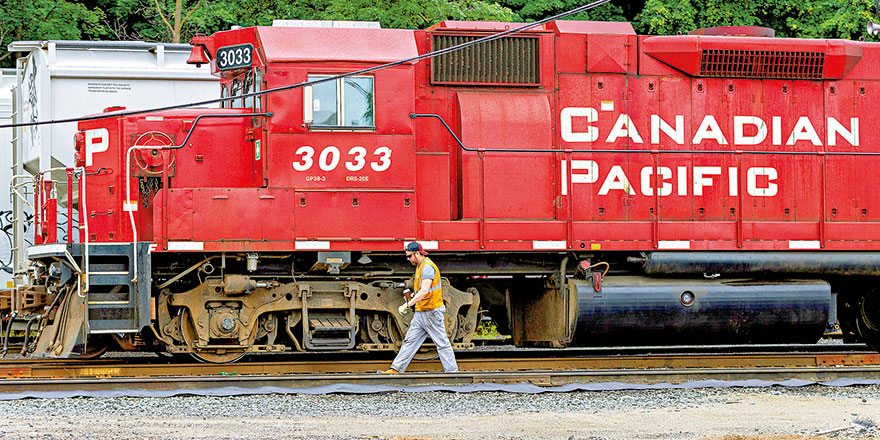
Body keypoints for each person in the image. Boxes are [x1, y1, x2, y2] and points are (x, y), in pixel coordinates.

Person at [381, 242, 458, 374]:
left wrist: (408, 304)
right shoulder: (421, 266)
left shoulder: (427, 267)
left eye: (409, 256)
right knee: (410, 341)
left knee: (442, 343)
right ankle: (396, 370)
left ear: (417, 253)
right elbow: (421, 291)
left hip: (432, 311)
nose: (408, 259)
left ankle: (452, 372)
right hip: (422, 312)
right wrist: (413, 297)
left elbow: (425, 291)